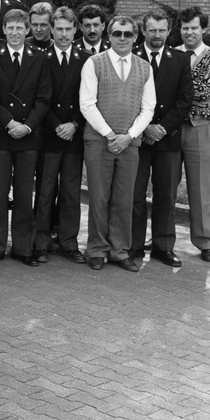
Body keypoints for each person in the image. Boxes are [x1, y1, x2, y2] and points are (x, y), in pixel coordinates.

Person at [79, 15, 155, 272]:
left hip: (129, 143)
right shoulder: (94, 63)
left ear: (135, 37)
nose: (122, 38)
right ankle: (96, 250)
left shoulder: (144, 67)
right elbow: (87, 104)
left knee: (124, 199)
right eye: (117, 33)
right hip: (99, 141)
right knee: (99, 198)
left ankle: (119, 251)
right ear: (108, 35)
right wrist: (110, 135)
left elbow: (148, 108)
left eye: (127, 34)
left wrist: (129, 136)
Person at [0, 9, 51, 267]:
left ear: (27, 30)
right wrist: (9, 122)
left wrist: (27, 126)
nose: (14, 33)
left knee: (24, 195)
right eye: (10, 28)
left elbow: (43, 98)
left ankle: (23, 248)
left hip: (28, 136)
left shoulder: (39, 58)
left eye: (19, 28)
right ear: (3, 30)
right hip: (0, 134)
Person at [130, 10, 193, 266]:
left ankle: (163, 247)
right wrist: (145, 127)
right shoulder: (131, 55)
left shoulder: (180, 59)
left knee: (166, 196)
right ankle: (133, 245)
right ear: (143, 31)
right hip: (138, 138)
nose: (157, 35)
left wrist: (161, 128)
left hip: (167, 138)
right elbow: (127, 98)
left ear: (169, 32)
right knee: (135, 194)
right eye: (152, 30)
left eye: (162, 30)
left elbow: (185, 100)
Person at [35, 7, 90, 264]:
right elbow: (38, 97)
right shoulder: (40, 58)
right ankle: (41, 242)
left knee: (70, 192)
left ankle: (69, 242)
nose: (64, 34)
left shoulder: (86, 59)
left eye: (68, 29)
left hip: (73, 135)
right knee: (45, 191)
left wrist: (74, 124)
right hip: (49, 134)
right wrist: (57, 125)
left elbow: (89, 98)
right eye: (59, 29)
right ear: (51, 29)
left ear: (75, 30)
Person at [177, 6, 210, 263]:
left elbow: (207, 89)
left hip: (200, 129)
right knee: (165, 186)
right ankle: (163, 237)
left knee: (200, 189)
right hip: (171, 128)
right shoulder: (172, 54)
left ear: (203, 29)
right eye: (185, 28)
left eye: (194, 27)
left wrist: (174, 88)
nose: (189, 32)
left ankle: (206, 241)